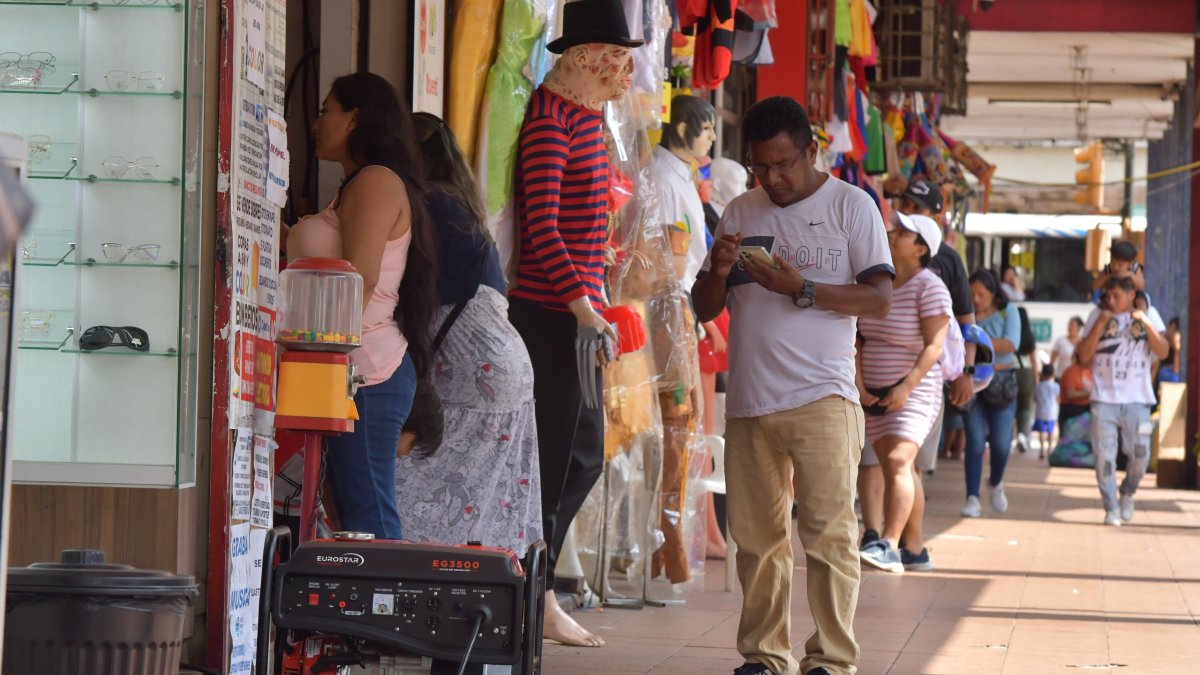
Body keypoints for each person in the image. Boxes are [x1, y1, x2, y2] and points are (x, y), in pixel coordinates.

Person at [693, 96, 894, 675]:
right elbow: (703, 307)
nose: (773, 178)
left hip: (824, 398)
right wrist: (719, 270)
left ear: (811, 151)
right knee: (757, 542)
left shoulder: (852, 206)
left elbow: (879, 299)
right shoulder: (740, 210)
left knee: (828, 536)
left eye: (783, 164)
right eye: (760, 166)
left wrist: (801, 288)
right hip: (750, 402)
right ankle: (765, 655)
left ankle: (830, 659)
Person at [506, 0, 641, 647]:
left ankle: (535, 586)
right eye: (619, 59)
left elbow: (588, 231)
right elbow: (541, 225)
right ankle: (534, 592)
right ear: (587, 57)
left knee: (582, 452)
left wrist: (598, 301)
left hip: (582, 315)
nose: (628, 73)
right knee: (557, 455)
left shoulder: (590, 120)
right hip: (550, 315)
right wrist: (581, 304)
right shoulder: (549, 121)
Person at [285, 72, 439, 539]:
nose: (316, 123)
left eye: (325, 110)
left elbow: (360, 278)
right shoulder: (359, 185)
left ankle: (388, 589)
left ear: (354, 118)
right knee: (351, 518)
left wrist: (325, 363)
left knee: (368, 519)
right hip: (350, 369)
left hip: (364, 372)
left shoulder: (375, 181)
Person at [393, 113, 542, 554]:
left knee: (407, 490)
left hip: (473, 377)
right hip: (506, 369)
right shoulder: (460, 204)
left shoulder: (425, 204)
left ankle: (407, 578)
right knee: (483, 506)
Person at [856, 212, 951, 574]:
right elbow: (859, 338)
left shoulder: (930, 287)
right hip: (875, 394)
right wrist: (859, 384)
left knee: (897, 461)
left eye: (903, 232)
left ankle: (890, 544)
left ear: (921, 248)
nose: (892, 233)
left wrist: (906, 386)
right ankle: (915, 549)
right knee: (899, 468)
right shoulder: (878, 282)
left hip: (915, 392)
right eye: (894, 228)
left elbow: (934, 346)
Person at [1075, 276, 1170, 526]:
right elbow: (1083, 356)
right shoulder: (1097, 316)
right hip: (1103, 400)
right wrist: (1101, 322)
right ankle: (1111, 508)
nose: (1111, 301)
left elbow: (1163, 351)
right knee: (1104, 457)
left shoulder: (1150, 313)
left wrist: (1145, 322)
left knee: (1141, 455)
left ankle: (1128, 491)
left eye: (1117, 296)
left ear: (1131, 295)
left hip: (1138, 401)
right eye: (1108, 296)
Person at [961, 269, 1020, 518]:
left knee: (1001, 444)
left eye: (981, 294)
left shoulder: (1009, 311)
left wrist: (976, 339)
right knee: (974, 442)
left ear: (993, 293)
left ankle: (995, 481)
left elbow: (1011, 344)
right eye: (972, 293)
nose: (975, 299)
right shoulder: (965, 312)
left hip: (1002, 384)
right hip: (971, 383)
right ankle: (972, 497)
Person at [1059, 351, 1093, 427]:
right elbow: (1070, 394)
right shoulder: (1072, 371)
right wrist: (1090, 393)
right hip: (1073, 411)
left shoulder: (1088, 371)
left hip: (1085, 410)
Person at [1034, 364, 1060, 460]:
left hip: (1041, 411)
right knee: (1051, 431)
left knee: (1041, 431)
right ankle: (1049, 449)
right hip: (1052, 411)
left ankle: (1042, 450)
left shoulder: (1038, 386)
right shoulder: (1056, 386)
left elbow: (1035, 398)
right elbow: (1058, 398)